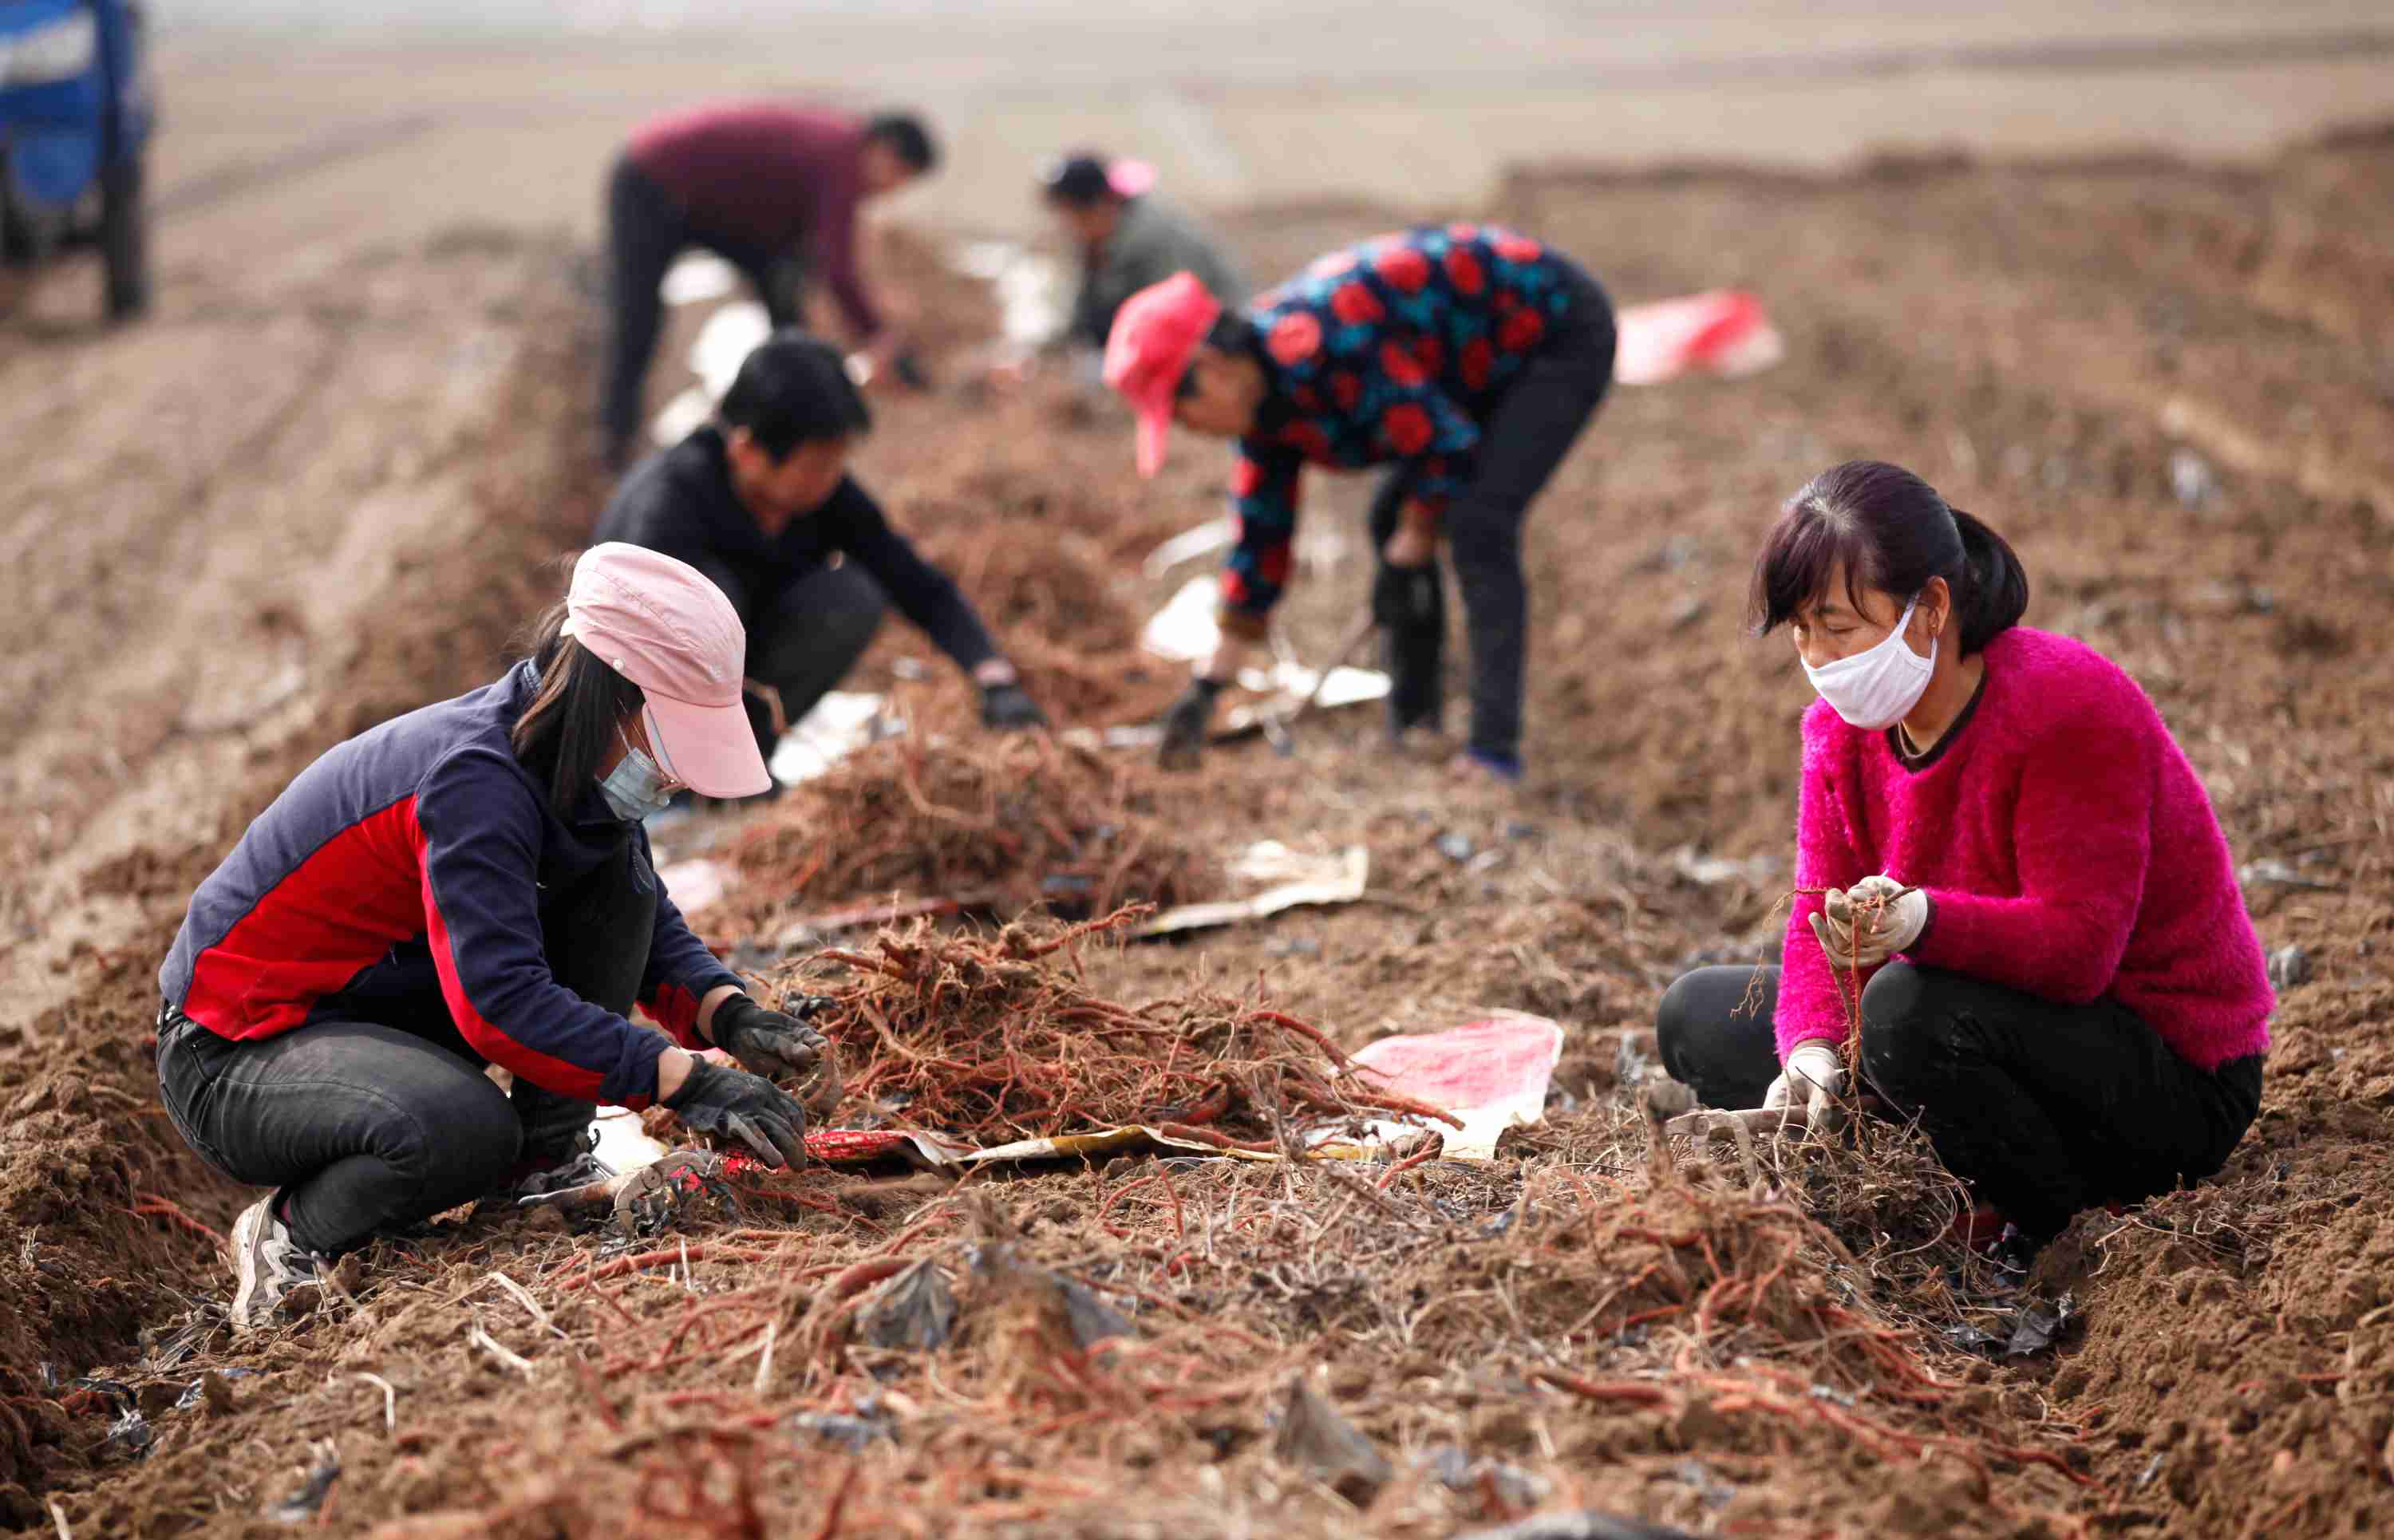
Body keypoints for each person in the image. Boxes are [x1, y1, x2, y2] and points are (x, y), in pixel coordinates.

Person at [157, 543, 832, 1331]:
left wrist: (729, 1014)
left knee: (619, 883)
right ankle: (291, 1236)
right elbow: (499, 1001)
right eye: (669, 742)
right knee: (463, 1129)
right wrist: (687, 1081)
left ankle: (549, 1162)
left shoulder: (576, 775)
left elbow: (639, 924)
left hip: (373, 1010)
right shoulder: (474, 779)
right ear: (610, 696)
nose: (676, 777)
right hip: (233, 1050)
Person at [1655, 460, 2271, 1259]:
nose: (1818, 655)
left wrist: (1920, 919)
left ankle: (2052, 1218)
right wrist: (1810, 1047)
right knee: (1698, 1016)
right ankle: (1931, 1141)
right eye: (1802, 630)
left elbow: (2081, 950)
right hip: (1983, 1016)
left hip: (2166, 1066)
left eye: (1838, 626)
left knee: (1904, 1014)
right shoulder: (1837, 733)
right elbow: (1817, 919)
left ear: (1931, 608)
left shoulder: (2065, 709)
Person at [1102, 225, 1616, 782]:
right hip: (1472, 362)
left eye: (1181, 414)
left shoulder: (1330, 347)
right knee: (1390, 524)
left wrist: (1418, 531)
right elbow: (1261, 539)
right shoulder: (1263, 407)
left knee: (1478, 524)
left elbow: (1444, 444)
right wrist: (1208, 688)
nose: (1189, 430)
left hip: (1551, 331)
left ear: (1212, 366)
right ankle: (1417, 724)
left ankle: (1494, 752)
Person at [595, 330, 1044, 770]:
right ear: (747, 449)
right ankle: (683, 771)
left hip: (736, 687)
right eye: (818, 462)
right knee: (712, 602)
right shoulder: (670, 505)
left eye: (839, 457)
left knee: (852, 598)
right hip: (628, 717)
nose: (831, 475)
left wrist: (993, 678)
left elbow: (915, 583)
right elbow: (620, 655)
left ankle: (738, 763)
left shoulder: (822, 496)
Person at [599, 102, 938, 469]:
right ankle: (615, 440)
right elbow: (837, 266)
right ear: (884, 151)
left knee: (783, 300)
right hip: (651, 180)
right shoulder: (842, 157)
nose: (889, 191)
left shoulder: (834, 146)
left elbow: (798, 244)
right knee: (639, 317)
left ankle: (793, 422)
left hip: (709, 203)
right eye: (899, 178)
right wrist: (875, 332)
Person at [1041, 152, 1244, 352]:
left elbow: (1176, 313)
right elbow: (1084, 314)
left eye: (1072, 214)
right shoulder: (1094, 239)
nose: (1067, 225)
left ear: (1101, 204)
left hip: (1214, 344)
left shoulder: (1154, 237)